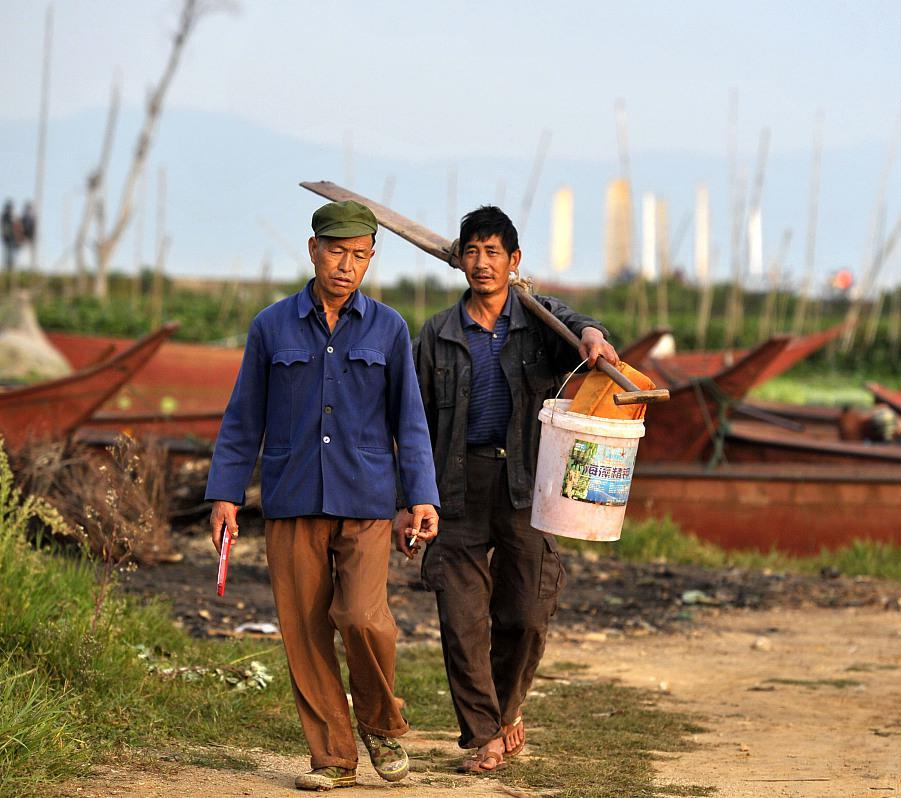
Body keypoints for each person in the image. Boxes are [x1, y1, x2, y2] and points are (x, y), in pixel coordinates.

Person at [205, 200, 440, 791]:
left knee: (364, 619)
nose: (347, 265)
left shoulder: (388, 329)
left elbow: (408, 421)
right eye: (337, 252)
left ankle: (382, 722)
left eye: (360, 255)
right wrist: (226, 494)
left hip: (366, 500)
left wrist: (422, 498)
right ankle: (333, 757)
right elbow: (242, 418)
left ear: (370, 259)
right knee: (305, 634)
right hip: (291, 496)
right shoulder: (271, 326)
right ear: (313, 250)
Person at [409, 205, 618, 773]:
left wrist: (593, 333)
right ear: (460, 259)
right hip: (456, 482)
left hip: (528, 483)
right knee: (461, 616)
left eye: (493, 252)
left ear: (514, 261)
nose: (481, 263)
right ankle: (483, 735)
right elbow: (416, 418)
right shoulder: (437, 333)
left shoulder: (537, 328)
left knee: (527, 611)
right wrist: (413, 496)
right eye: (472, 251)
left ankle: (507, 709)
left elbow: (578, 330)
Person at [1, 200, 15, 273]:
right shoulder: (4, 216)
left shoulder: (12, 216)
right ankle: (7, 268)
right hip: (6, 238)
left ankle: (10, 267)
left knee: (11, 254)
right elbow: (4, 228)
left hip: (11, 239)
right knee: (7, 254)